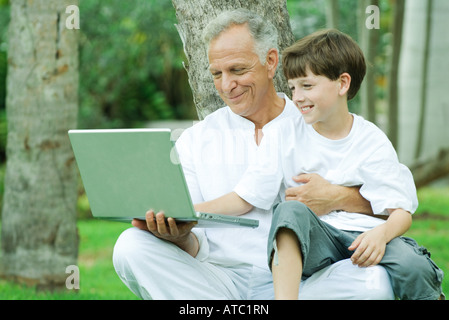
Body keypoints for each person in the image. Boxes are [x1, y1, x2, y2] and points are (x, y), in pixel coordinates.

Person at [112, 9, 395, 300]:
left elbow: (394, 203)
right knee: (131, 247)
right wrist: (178, 235)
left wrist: (339, 197)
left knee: (374, 282)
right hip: (216, 281)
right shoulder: (197, 139)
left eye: (237, 70)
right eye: (217, 74)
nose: (226, 85)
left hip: (306, 282)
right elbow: (195, 238)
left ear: (270, 62)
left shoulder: (319, 122)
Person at [195, 29, 444, 300]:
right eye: (292, 88)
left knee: (414, 266)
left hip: (364, 235)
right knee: (290, 211)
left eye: (307, 86)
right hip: (314, 241)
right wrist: (189, 210)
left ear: (342, 84)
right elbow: (245, 197)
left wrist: (381, 235)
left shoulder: (370, 139)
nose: (297, 97)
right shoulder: (284, 134)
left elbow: (401, 211)